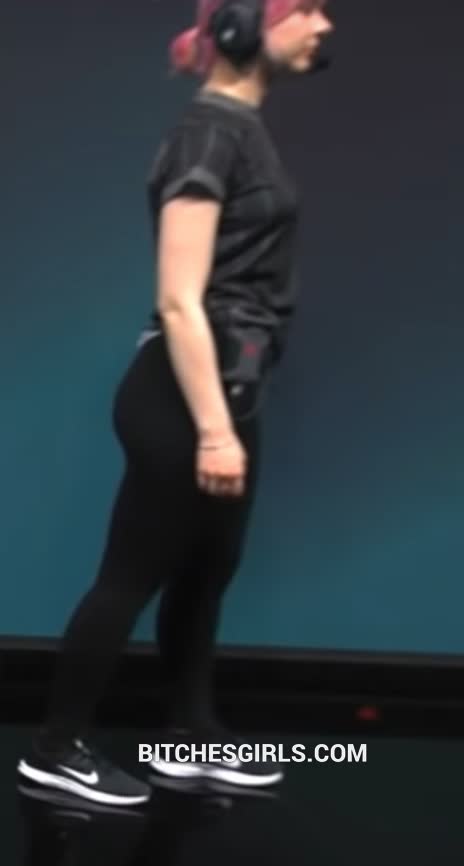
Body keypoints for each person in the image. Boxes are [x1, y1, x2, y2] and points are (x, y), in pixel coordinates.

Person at [17, 0, 334, 807]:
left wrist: (232, 418)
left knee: (204, 576)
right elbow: (180, 298)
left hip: (229, 393)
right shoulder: (209, 134)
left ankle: (191, 741)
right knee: (131, 577)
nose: (323, 25)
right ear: (241, 29)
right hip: (186, 401)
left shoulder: (241, 129)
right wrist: (215, 432)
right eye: (306, 9)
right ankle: (55, 749)